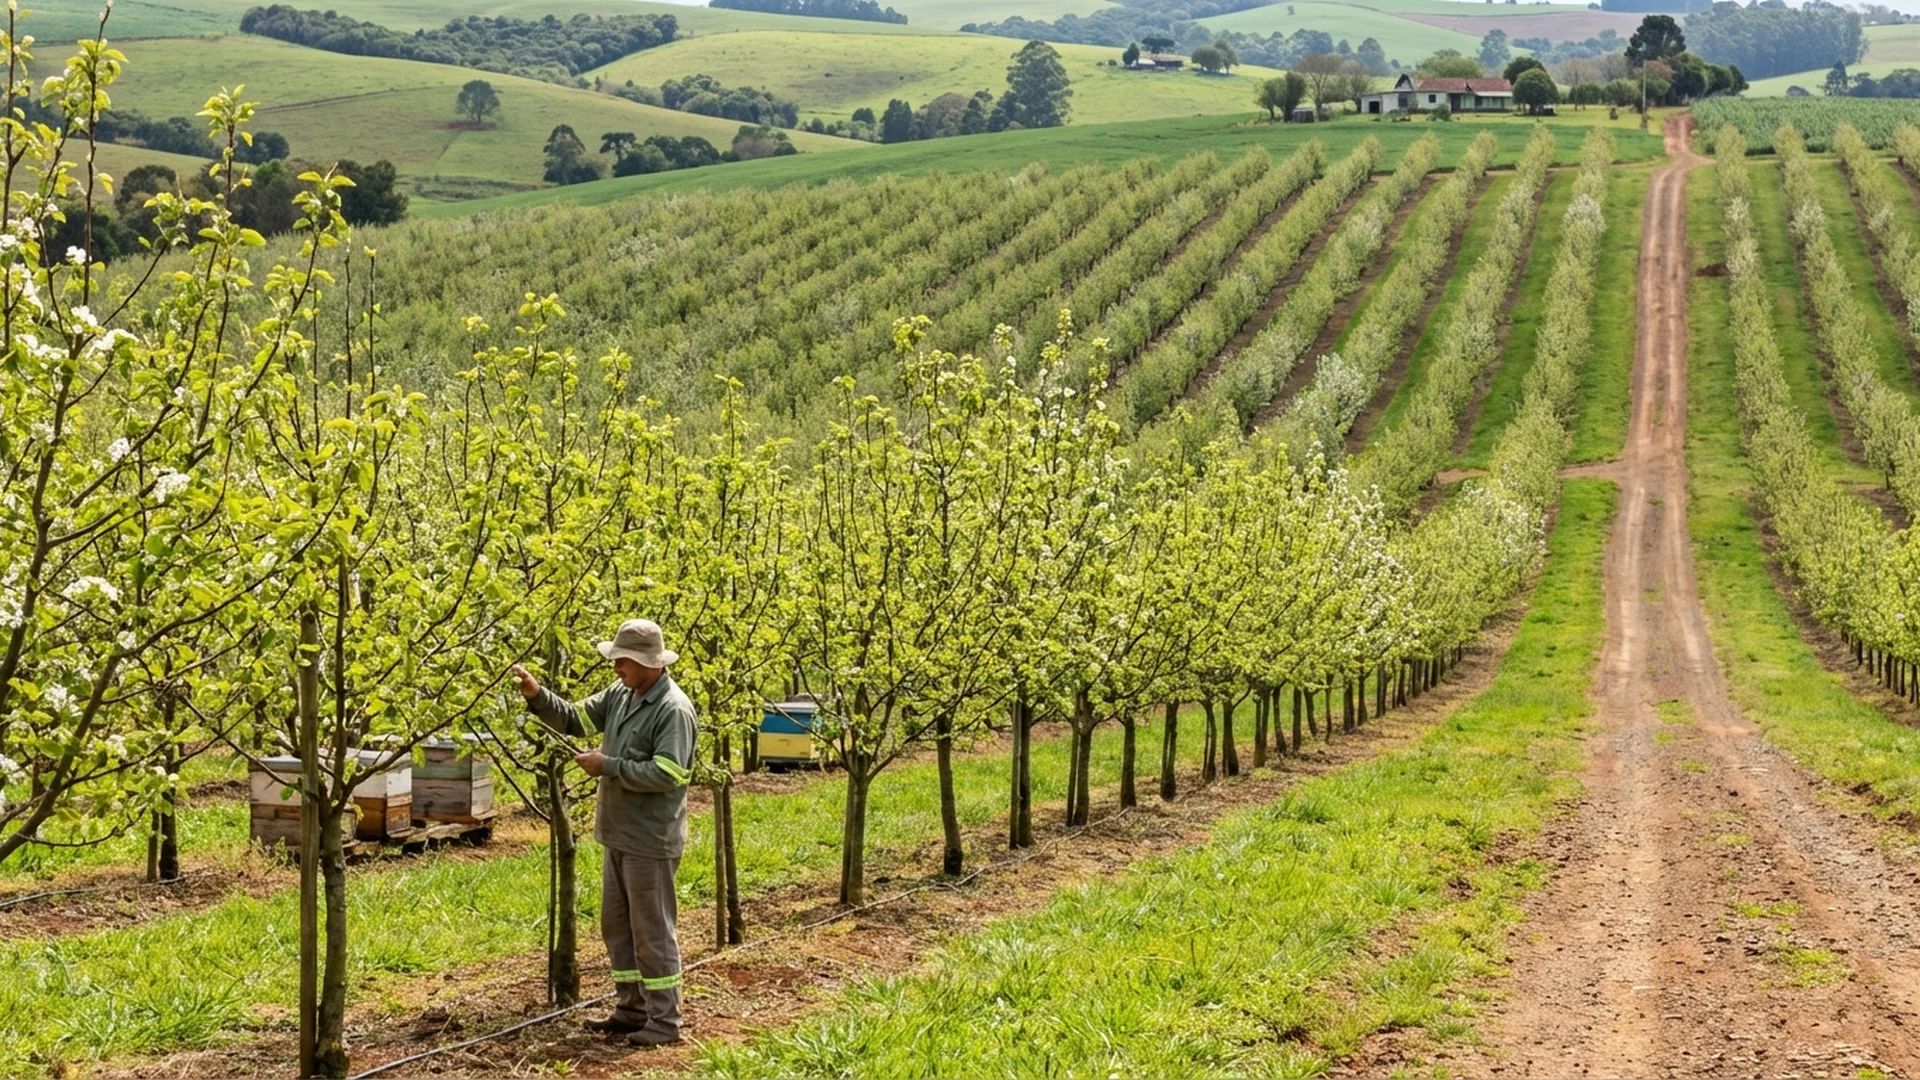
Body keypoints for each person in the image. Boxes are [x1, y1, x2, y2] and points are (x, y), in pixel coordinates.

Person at [510, 618, 698, 1047]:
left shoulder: (673, 709)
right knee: (618, 927)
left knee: (652, 931)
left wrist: (608, 765)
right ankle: (631, 1009)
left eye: (622, 661)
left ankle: (665, 1021)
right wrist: (537, 696)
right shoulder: (621, 694)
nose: (615, 668)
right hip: (617, 832)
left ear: (647, 662)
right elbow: (576, 718)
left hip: (651, 840)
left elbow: (668, 773)